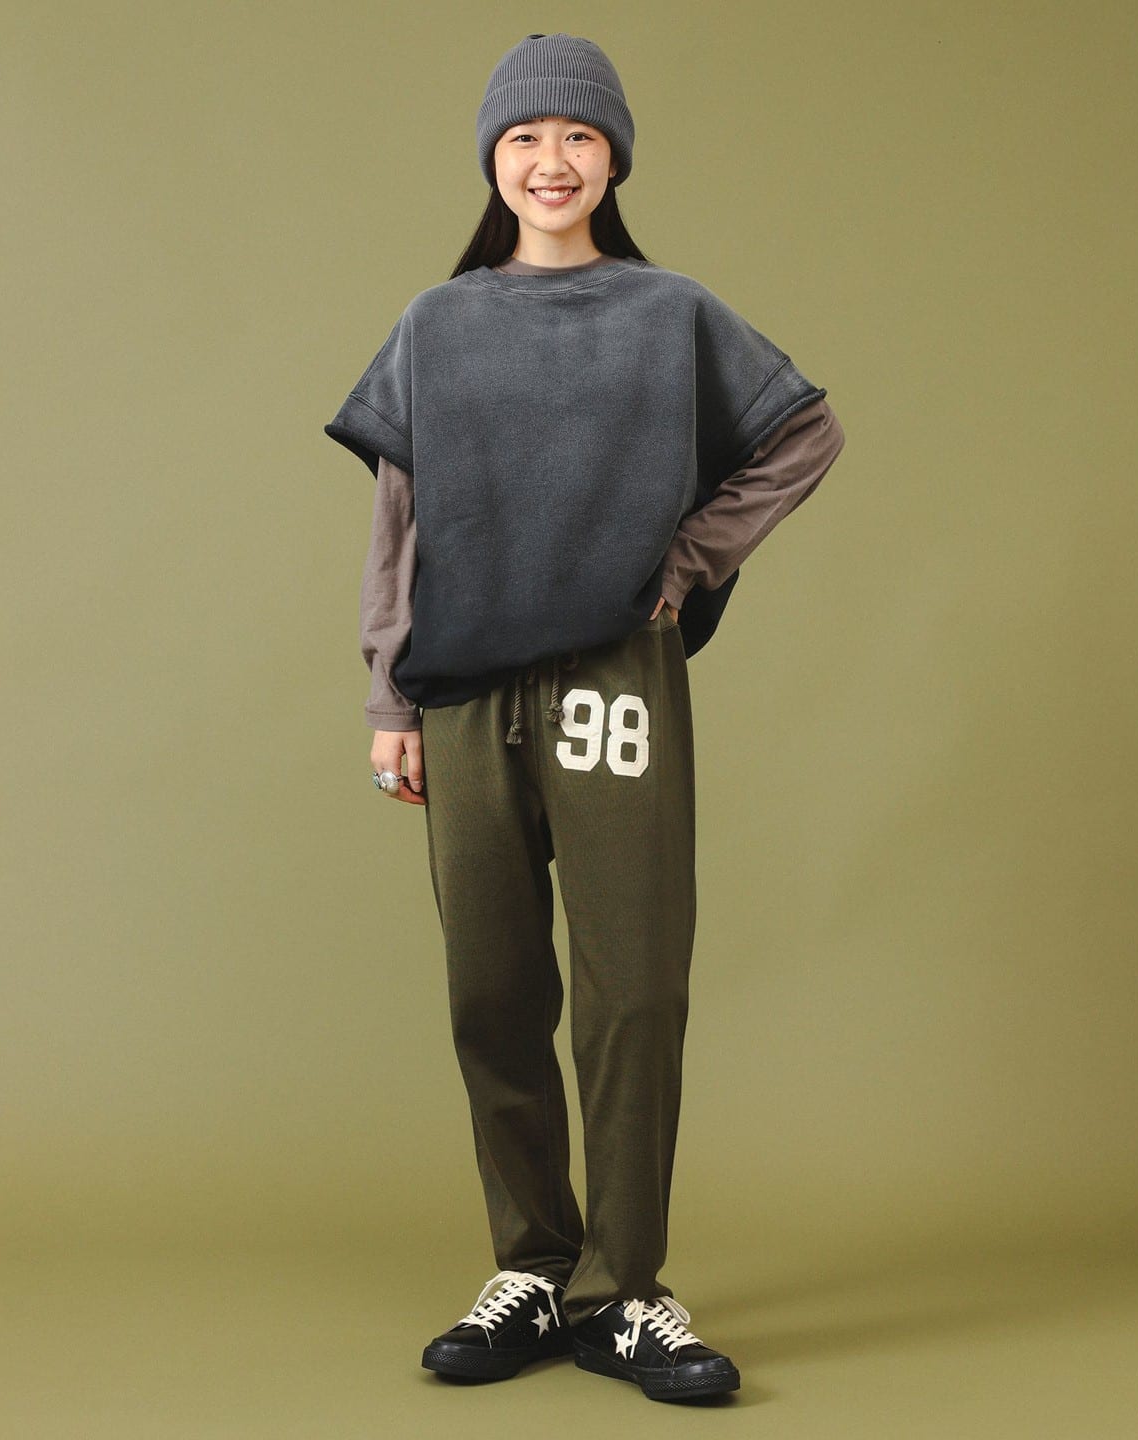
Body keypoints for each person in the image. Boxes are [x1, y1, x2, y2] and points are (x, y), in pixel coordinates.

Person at [324, 32, 846, 1403]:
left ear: (613, 157)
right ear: (492, 163)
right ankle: (532, 1261)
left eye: (577, 135)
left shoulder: (671, 312)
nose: (549, 161)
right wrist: (389, 693)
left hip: (616, 678)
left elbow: (804, 434)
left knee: (635, 983)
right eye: (523, 138)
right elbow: (397, 524)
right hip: (462, 689)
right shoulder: (438, 325)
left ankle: (624, 1290)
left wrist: (686, 561)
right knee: (490, 985)